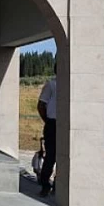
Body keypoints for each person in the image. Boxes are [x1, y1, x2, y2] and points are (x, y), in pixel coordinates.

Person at [38, 63, 57, 197]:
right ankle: (45, 184)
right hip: (53, 124)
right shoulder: (51, 85)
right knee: (50, 156)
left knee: (64, 156)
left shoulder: (71, 84)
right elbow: (41, 105)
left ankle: (58, 185)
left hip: (62, 124)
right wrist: (48, 121)